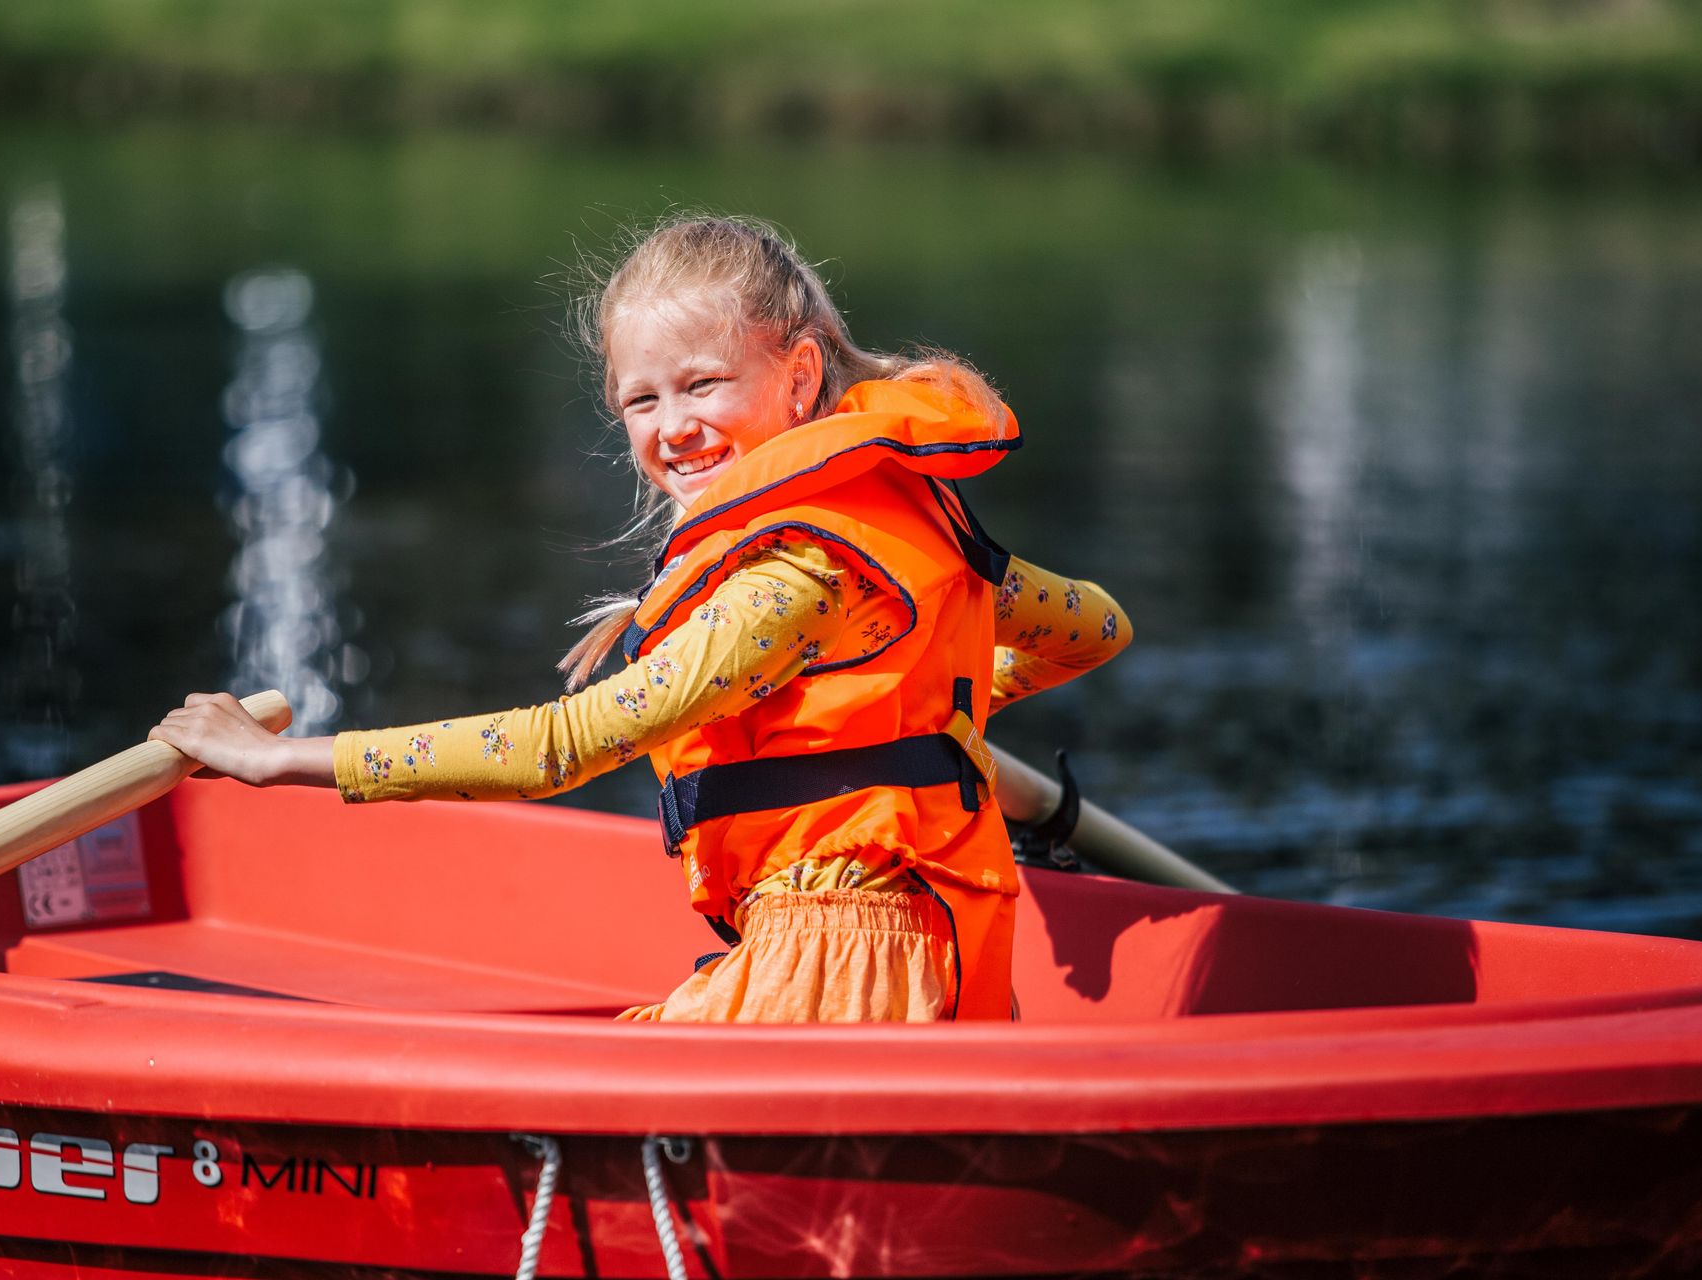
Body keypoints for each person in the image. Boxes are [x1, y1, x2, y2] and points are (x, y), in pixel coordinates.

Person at [150, 215, 1130, 1022]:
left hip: (835, 969)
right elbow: (1093, 629)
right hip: (938, 962)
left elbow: (561, 747)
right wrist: (939, 719)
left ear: (796, 377)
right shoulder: (920, 527)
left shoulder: (790, 580)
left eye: (703, 383)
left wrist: (283, 759)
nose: (672, 427)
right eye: (640, 400)